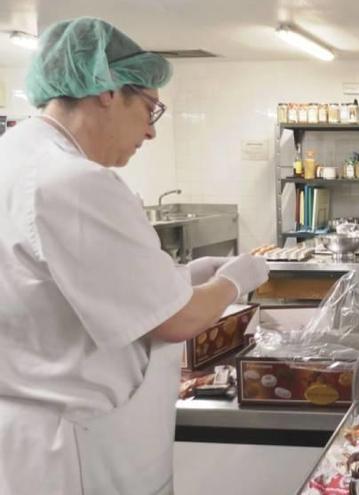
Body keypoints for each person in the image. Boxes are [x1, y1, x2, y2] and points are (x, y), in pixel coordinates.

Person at [0, 17, 269, 495]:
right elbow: (178, 322)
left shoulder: (15, 157)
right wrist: (236, 278)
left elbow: (60, 293)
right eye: (150, 109)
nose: (151, 133)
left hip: (32, 436)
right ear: (105, 90)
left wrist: (182, 277)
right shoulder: (75, 180)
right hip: (82, 447)